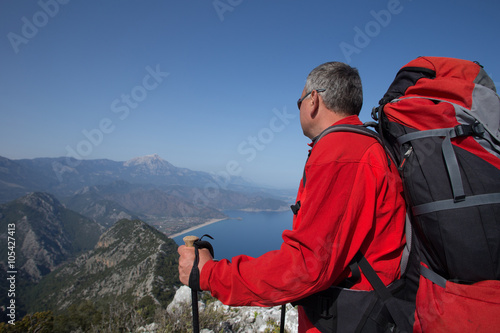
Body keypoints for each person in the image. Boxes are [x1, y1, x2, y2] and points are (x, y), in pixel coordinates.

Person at [178, 62, 406, 333]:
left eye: (299, 101)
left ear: (314, 100)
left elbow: (307, 266)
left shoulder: (342, 154)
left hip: (351, 320)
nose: (298, 108)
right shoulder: (364, 146)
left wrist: (209, 274)